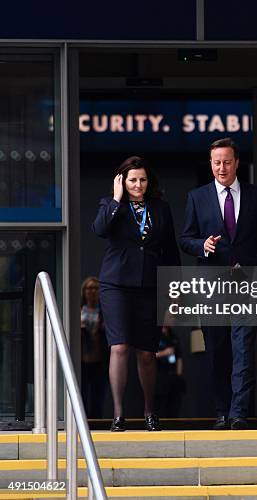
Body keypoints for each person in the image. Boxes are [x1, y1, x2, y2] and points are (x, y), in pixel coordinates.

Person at [180, 138, 257, 430]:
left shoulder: (256, 196)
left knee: (243, 347)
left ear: (237, 163)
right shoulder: (197, 197)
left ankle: (238, 412)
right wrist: (201, 245)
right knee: (217, 349)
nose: (221, 168)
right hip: (212, 285)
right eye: (216, 162)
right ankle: (221, 410)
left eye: (227, 162)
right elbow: (185, 238)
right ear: (211, 164)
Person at [92, 156, 180, 432]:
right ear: (122, 181)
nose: (138, 185)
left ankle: (149, 411)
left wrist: (174, 292)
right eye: (132, 180)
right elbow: (99, 229)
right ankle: (118, 415)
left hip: (150, 285)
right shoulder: (110, 205)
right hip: (116, 284)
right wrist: (118, 199)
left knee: (146, 353)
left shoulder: (161, 208)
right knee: (119, 347)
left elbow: (170, 251)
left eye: (142, 179)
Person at [80, 276, 106, 419]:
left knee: (98, 397)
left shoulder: (104, 312)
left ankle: (97, 423)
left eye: (96, 288)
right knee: (81, 396)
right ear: (83, 291)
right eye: (89, 288)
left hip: (99, 359)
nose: (92, 292)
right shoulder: (77, 311)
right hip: (82, 360)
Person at [155, 324, 185, 418]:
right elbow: (149, 355)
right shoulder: (155, 335)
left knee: (173, 404)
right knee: (159, 404)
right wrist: (165, 353)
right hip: (159, 374)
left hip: (172, 374)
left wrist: (178, 375)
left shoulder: (173, 337)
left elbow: (179, 357)